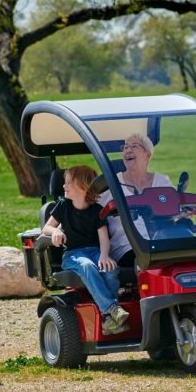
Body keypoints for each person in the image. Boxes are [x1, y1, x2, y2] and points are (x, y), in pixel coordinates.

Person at [43, 165, 130, 335]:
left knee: (111, 269)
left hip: (95, 251)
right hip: (73, 255)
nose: (63, 186)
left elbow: (104, 239)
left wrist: (105, 255)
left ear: (83, 185)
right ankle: (111, 309)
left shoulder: (97, 211)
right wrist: (56, 231)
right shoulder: (63, 206)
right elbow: (46, 227)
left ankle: (108, 321)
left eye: (68, 182)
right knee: (87, 266)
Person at [97, 133, 173, 266]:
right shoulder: (112, 183)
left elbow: (174, 208)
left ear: (147, 154)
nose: (128, 150)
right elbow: (90, 210)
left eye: (134, 146)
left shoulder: (162, 181)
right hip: (128, 246)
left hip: (161, 241)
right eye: (125, 147)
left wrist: (186, 211)